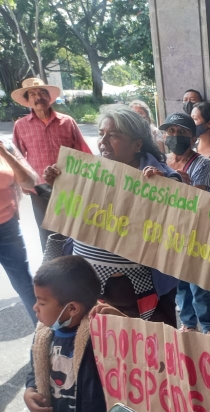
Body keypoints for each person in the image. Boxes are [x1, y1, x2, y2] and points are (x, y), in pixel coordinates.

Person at [43, 106, 180, 326]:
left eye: (114, 135)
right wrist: (58, 185)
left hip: (140, 294)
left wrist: (165, 192)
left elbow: (182, 224)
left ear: (137, 144)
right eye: (101, 134)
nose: (103, 141)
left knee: (151, 351)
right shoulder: (86, 170)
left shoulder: (163, 177)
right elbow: (72, 216)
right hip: (89, 287)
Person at [25, 256, 107, 412]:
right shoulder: (45, 333)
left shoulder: (101, 335)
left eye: (42, 302)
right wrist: (30, 390)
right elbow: (36, 366)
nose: (35, 307)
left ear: (72, 308)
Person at [152, 111, 210, 334]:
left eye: (181, 132)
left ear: (192, 138)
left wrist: (169, 183)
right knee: (178, 281)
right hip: (170, 231)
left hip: (195, 231)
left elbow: (197, 197)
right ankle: (188, 324)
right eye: (170, 131)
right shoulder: (161, 162)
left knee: (198, 284)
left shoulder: (202, 163)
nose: (175, 136)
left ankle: (208, 329)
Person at [11, 78, 92, 250]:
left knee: (73, 229)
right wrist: (21, 183)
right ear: (28, 100)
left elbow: (83, 151)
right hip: (38, 188)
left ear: (49, 97)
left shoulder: (67, 121)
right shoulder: (21, 125)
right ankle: (53, 270)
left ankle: (75, 265)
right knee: (47, 233)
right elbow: (16, 156)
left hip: (69, 185)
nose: (38, 97)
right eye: (32, 94)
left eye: (42, 93)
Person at [0, 137, 39, 325]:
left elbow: (29, 182)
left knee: (25, 284)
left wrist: (5, 153)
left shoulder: (5, 145)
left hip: (7, 227)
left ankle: (45, 340)